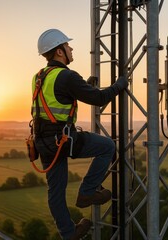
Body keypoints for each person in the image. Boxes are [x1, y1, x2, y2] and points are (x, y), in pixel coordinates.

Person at [32, 29, 128, 240]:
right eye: (67, 46)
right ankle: (87, 191)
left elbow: (59, 97)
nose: (71, 48)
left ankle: (68, 233)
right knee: (107, 147)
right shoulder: (67, 76)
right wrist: (119, 85)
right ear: (59, 51)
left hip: (43, 142)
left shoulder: (39, 76)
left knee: (55, 191)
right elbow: (100, 98)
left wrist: (85, 86)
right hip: (63, 140)